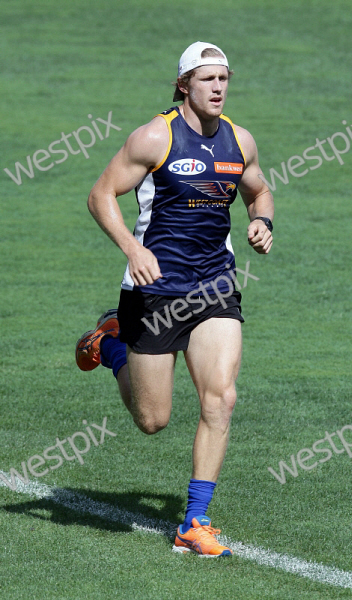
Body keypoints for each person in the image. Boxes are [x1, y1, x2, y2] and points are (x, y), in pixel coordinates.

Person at [75, 41, 274, 556]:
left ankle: (194, 521)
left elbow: (258, 188)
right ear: (183, 84)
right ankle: (110, 342)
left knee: (221, 397)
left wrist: (261, 220)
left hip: (214, 286)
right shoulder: (154, 137)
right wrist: (131, 246)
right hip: (154, 292)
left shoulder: (239, 140)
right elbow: (101, 195)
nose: (218, 88)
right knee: (152, 420)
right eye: (207, 79)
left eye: (224, 79)